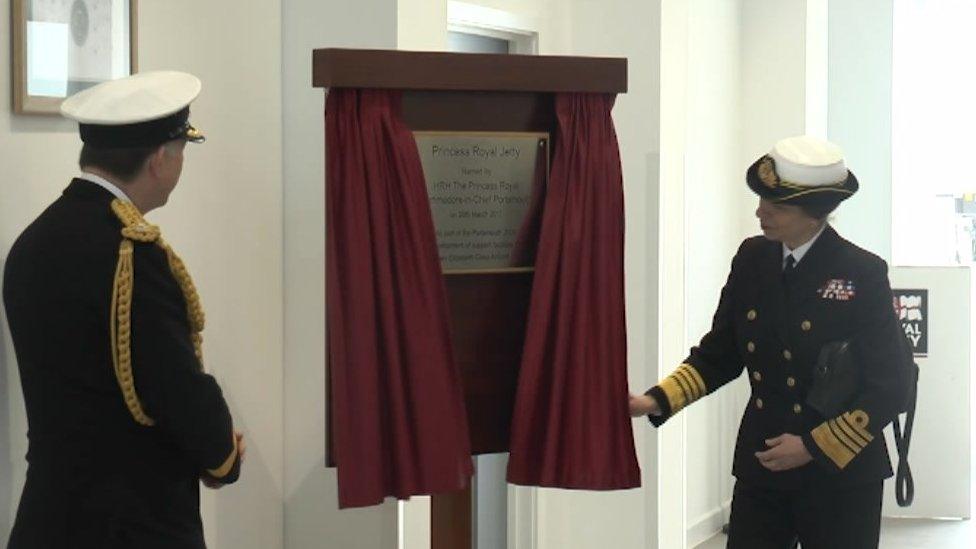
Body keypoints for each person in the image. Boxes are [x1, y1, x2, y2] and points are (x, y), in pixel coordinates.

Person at [629, 136, 912, 549]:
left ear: (815, 214)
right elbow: (721, 353)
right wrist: (655, 400)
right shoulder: (752, 259)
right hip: (763, 464)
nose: (760, 212)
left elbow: (891, 386)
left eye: (776, 206)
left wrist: (813, 446)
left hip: (840, 472)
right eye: (762, 200)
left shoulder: (861, 272)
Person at [3, 71, 243, 549]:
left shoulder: (32, 242)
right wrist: (221, 455)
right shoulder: (135, 256)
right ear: (159, 159)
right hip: (135, 526)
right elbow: (174, 384)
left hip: (47, 521)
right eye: (181, 152)